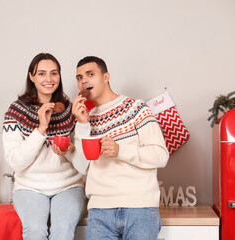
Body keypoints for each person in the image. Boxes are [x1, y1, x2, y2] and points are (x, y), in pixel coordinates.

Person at [72, 56, 169, 240]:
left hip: (140, 208)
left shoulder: (136, 108)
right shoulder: (85, 118)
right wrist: (82, 124)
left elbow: (160, 155)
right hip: (100, 211)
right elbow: (81, 166)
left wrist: (120, 151)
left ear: (106, 76)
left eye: (90, 74)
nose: (83, 80)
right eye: (79, 77)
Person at [2, 53, 86, 240]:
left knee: (62, 231)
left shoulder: (71, 111)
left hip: (68, 186)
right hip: (29, 188)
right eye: (41, 73)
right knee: (34, 230)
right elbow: (16, 162)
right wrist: (41, 129)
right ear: (31, 76)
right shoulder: (16, 112)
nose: (49, 79)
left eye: (54, 73)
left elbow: (82, 162)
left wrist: (68, 150)